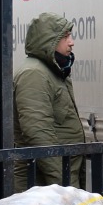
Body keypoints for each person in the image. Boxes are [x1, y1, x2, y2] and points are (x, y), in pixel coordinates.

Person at [14, 12, 85, 188]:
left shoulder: (53, 71)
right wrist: (64, 186)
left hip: (54, 182)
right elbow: (38, 134)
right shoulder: (34, 74)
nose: (71, 42)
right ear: (48, 40)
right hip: (44, 188)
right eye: (65, 36)